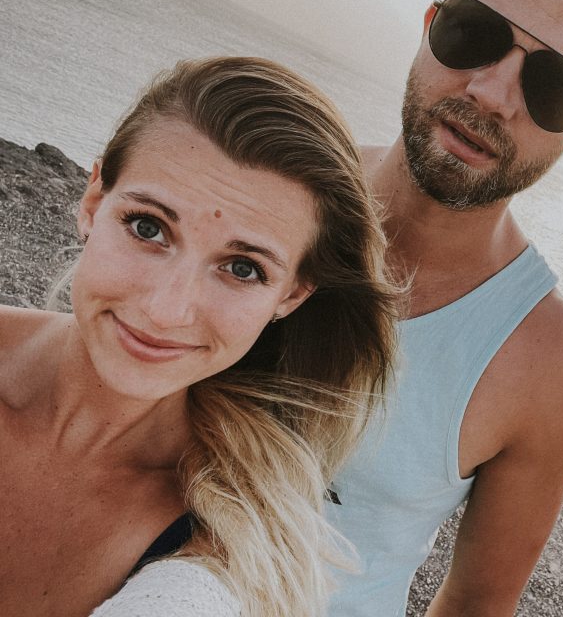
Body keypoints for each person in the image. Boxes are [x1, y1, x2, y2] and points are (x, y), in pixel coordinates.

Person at [327, 0, 563, 616]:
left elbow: (477, 605)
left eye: (554, 86)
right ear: (429, 27)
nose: (494, 93)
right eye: (474, 33)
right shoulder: (280, 181)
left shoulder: (548, 362)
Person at [0, 57, 400, 616]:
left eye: (242, 268)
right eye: (148, 228)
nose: (165, 311)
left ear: (291, 295)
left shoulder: (224, 551)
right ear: (93, 202)